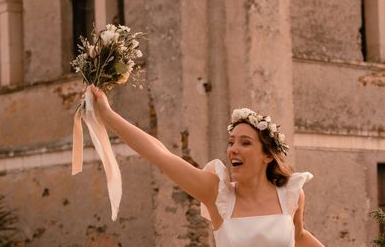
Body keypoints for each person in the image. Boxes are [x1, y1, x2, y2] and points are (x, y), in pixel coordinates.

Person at [85, 85, 324, 247]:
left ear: (268, 155)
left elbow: (299, 236)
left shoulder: (291, 195)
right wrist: (107, 115)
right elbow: (160, 154)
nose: (233, 149)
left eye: (245, 143)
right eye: (231, 142)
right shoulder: (217, 193)